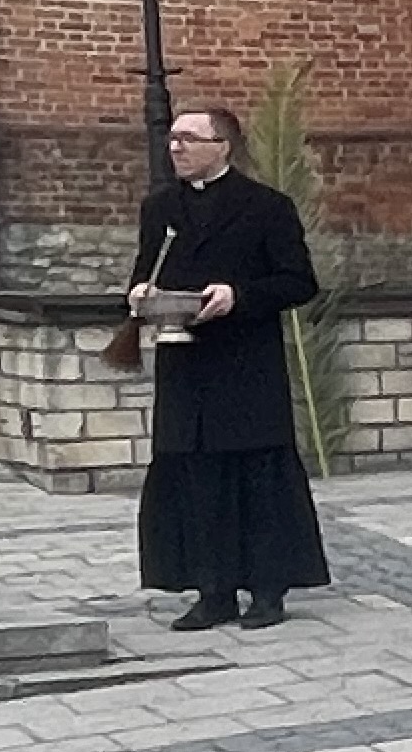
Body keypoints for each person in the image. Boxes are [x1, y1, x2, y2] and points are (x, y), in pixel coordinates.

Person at [129, 105, 331, 630]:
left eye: (188, 139)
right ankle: (211, 589)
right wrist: (139, 295)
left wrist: (238, 295)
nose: (175, 147)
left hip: (245, 365)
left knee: (257, 476)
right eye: (172, 138)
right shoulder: (160, 208)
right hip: (185, 366)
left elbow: (298, 281)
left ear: (223, 145)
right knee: (196, 479)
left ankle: (267, 590)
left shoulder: (266, 207)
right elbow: (145, 270)